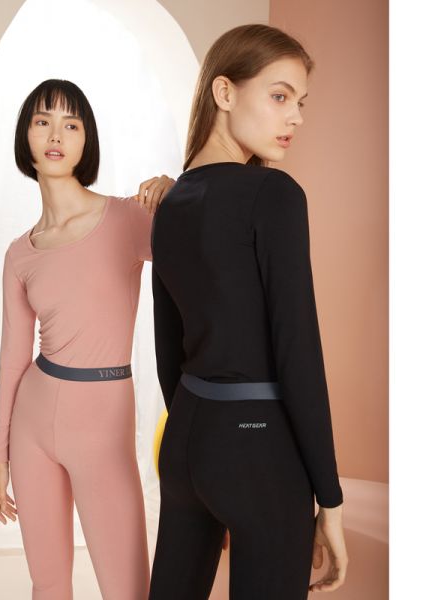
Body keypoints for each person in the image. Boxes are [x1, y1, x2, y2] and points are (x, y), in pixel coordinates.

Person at [149, 25, 349, 598]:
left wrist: (203, 435)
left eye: (301, 102)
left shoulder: (170, 200)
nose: (296, 118)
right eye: (279, 96)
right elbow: (298, 352)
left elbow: (168, 348)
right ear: (225, 92)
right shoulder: (274, 195)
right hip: (261, 453)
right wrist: (329, 499)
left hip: (187, 443)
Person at [0, 79, 174, 600]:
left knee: (128, 589)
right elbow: (11, 358)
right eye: (43, 121)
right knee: (48, 584)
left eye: (71, 124)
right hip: (32, 425)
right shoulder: (19, 253)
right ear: (26, 136)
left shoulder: (128, 217)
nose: (56, 135)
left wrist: (175, 192)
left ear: (86, 140)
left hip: (104, 425)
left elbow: (204, 247)